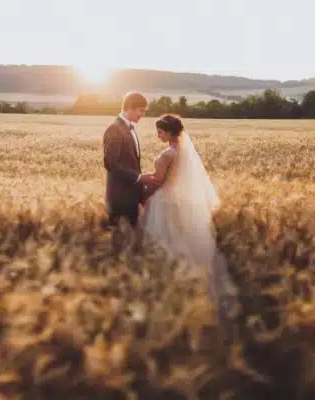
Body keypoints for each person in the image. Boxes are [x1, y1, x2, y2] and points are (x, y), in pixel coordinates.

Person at [140, 114, 238, 318]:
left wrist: (140, 178)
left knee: (165, 237)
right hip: (182, 199)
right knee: (184, 235)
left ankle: (171, 278)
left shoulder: (167, 154)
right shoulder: (184, 152)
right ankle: (193, 277)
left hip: (165, 200)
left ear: (168, 132)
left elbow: (158, 180)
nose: (158, 135)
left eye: (160, 131)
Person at [102, 92, 154, 229]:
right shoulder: (114, 129)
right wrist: (139, 177)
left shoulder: (128, 127)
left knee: (130, 238)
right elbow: (111, 164)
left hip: (131, 195)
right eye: (141, 110)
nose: (143, 114)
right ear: (129, 108)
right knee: (119, 240)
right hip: (120, 197)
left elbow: (131, 162)